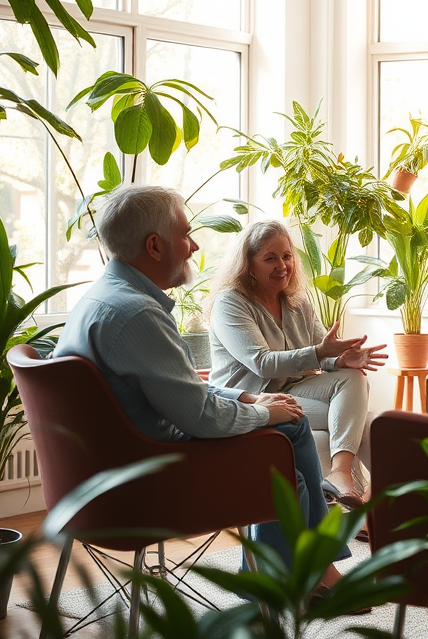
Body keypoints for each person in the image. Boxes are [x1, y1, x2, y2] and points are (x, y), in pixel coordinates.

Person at [54, 186, 350, 585]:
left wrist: (246, 396)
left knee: (291, 422)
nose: (193, 246)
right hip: (152, 481)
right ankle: (301, 573)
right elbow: (201, 417)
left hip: (110, 472)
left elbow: (180, 388)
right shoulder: (137, 314)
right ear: (155, 246)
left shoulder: (102, 299)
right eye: (186, 234)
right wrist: (263, 411)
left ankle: (310, 566)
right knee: (282, 466)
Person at [208, 220, 386, 508]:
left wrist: (341, 358)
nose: (283, 266)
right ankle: (375, 508)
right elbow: (262, 363)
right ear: (249, 264)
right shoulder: (231, 303)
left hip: (296, 390)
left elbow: (322, 350)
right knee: (365, 422)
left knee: (354, 378)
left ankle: (344, 477)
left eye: (287, 256)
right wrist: (320, 352)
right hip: (253, 400)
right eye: (270, 258)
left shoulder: (296, 301)